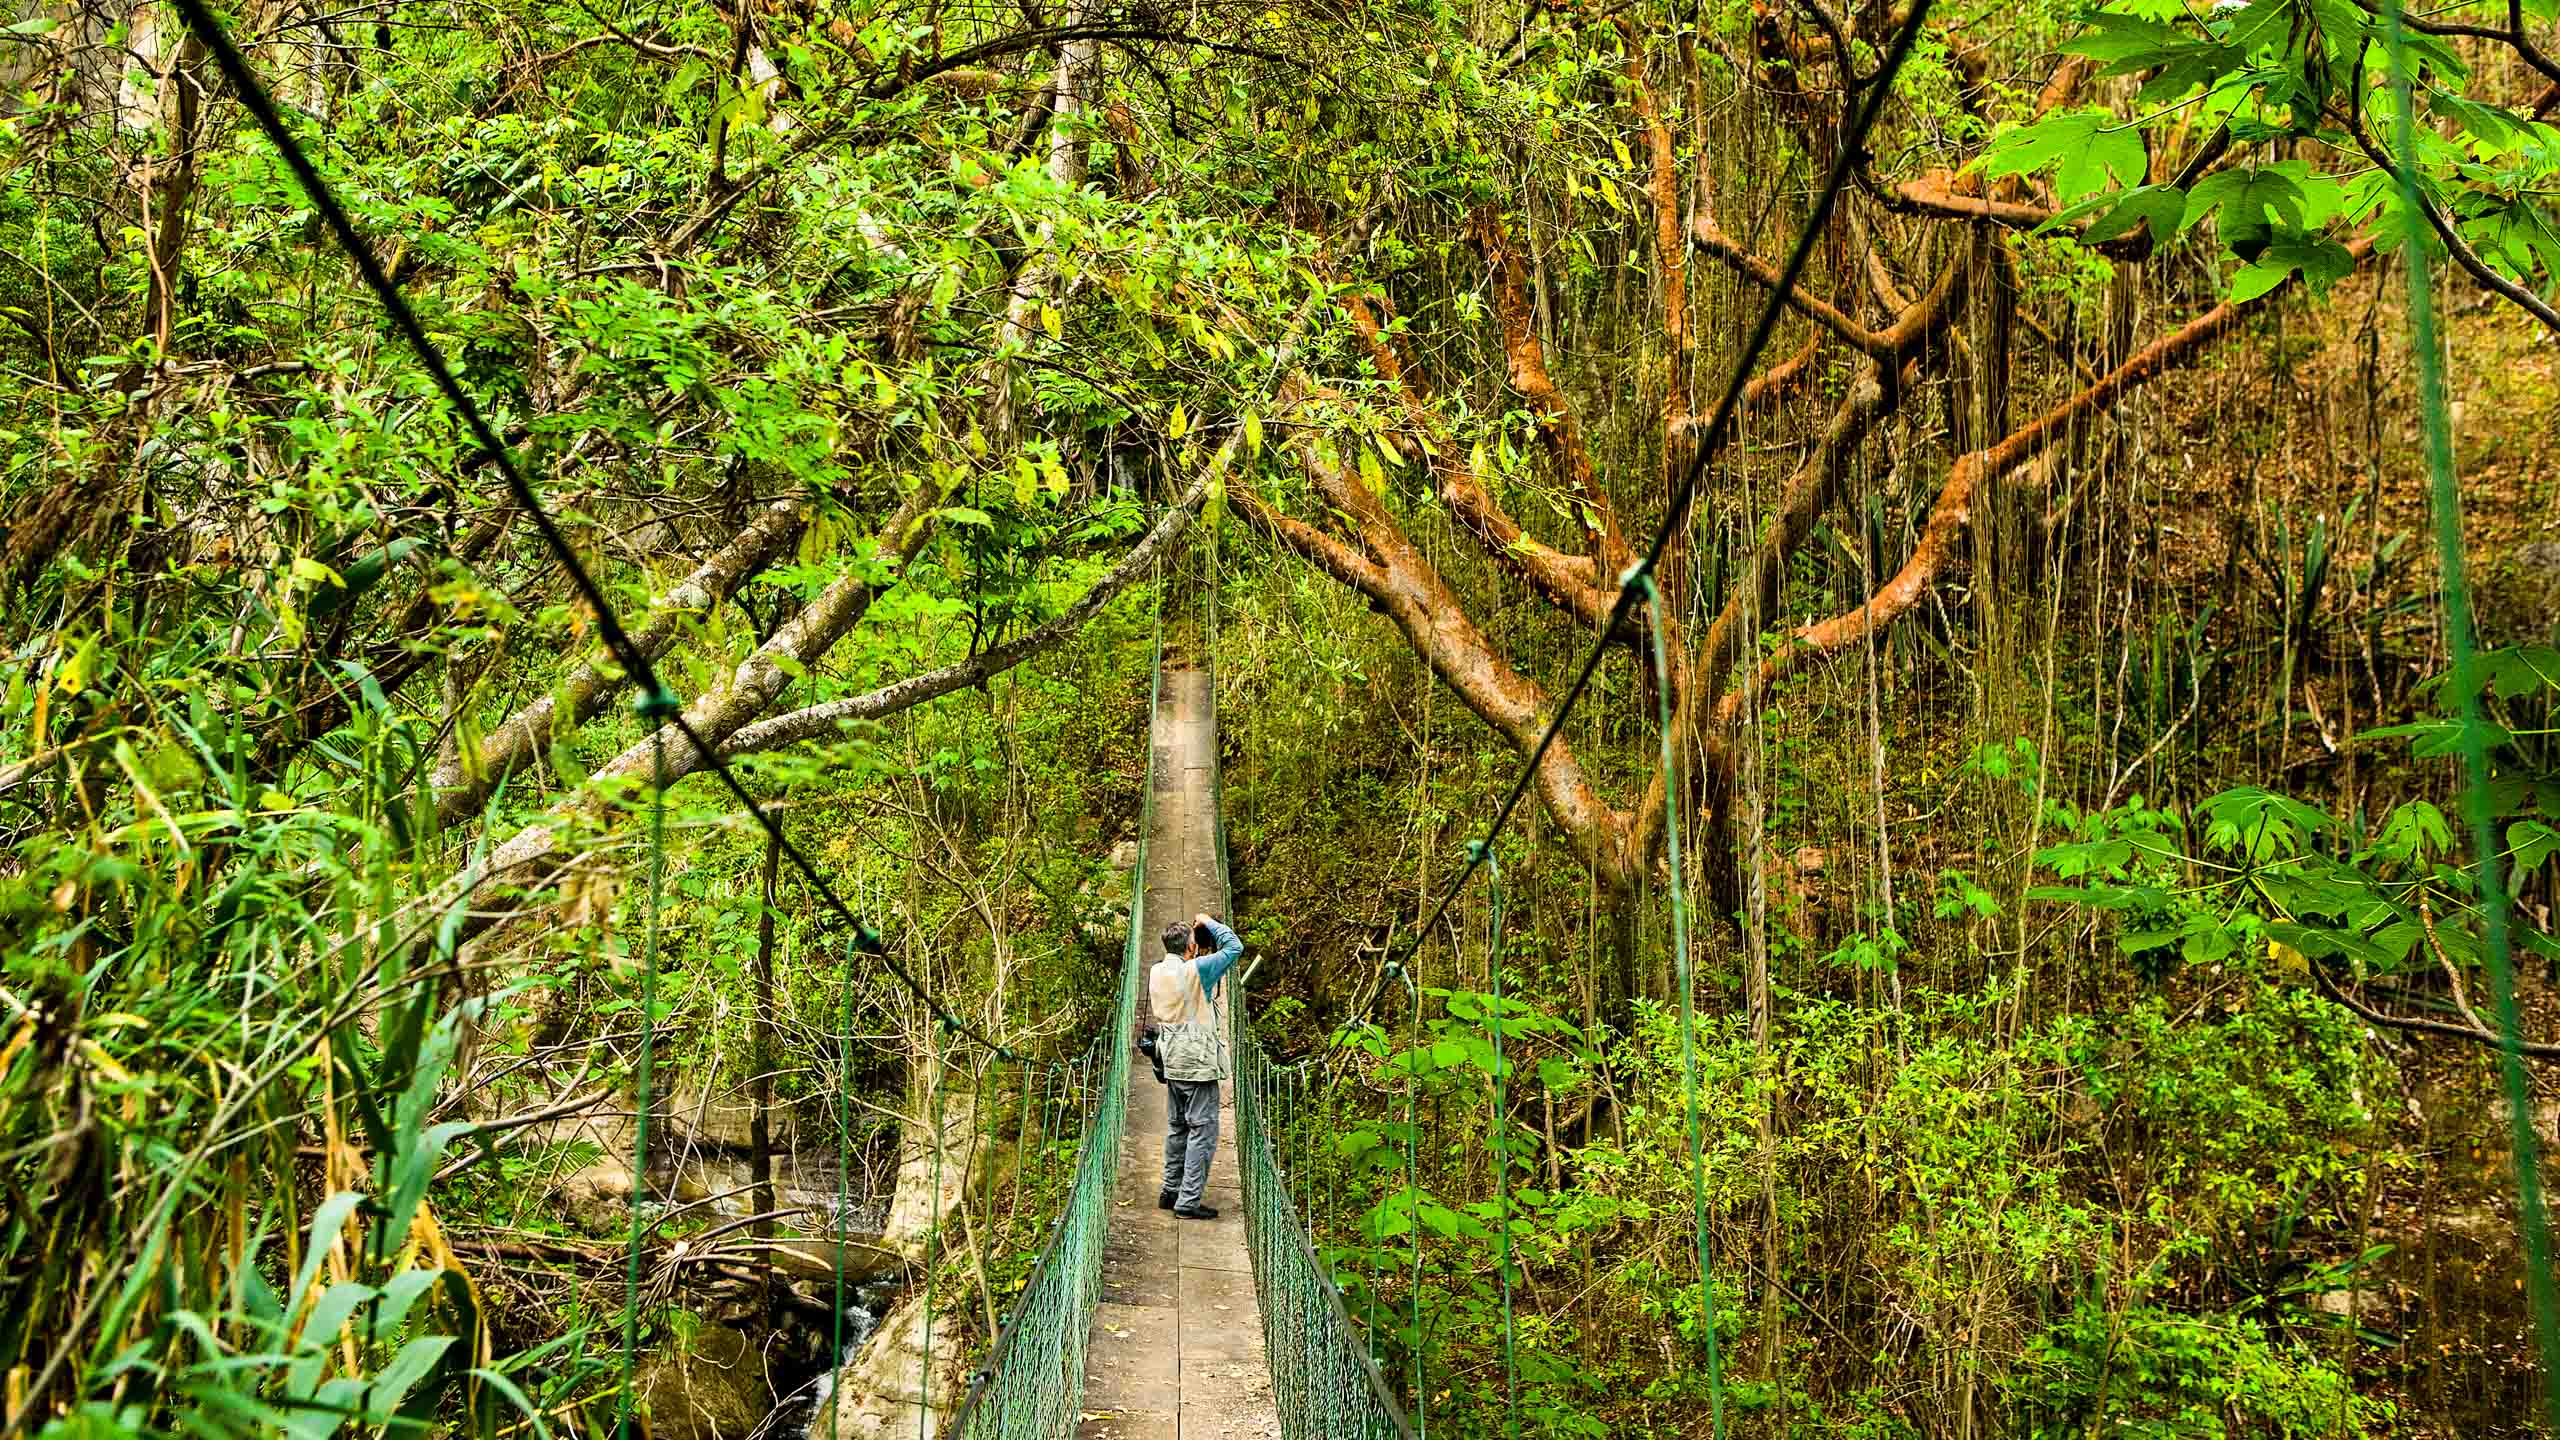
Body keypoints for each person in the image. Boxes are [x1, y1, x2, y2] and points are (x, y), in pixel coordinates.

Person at [1149, 909, 1241, 1219]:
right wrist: (1207, 921)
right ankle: (1187, 1202)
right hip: (1197, 1062)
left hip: (1170, 1058)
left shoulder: (1156, 971)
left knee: (1178, 1129)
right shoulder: (1196, 971)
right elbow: (1234, 947)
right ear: (1190, 946)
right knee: (1203, 1131)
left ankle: (1170, 1190)